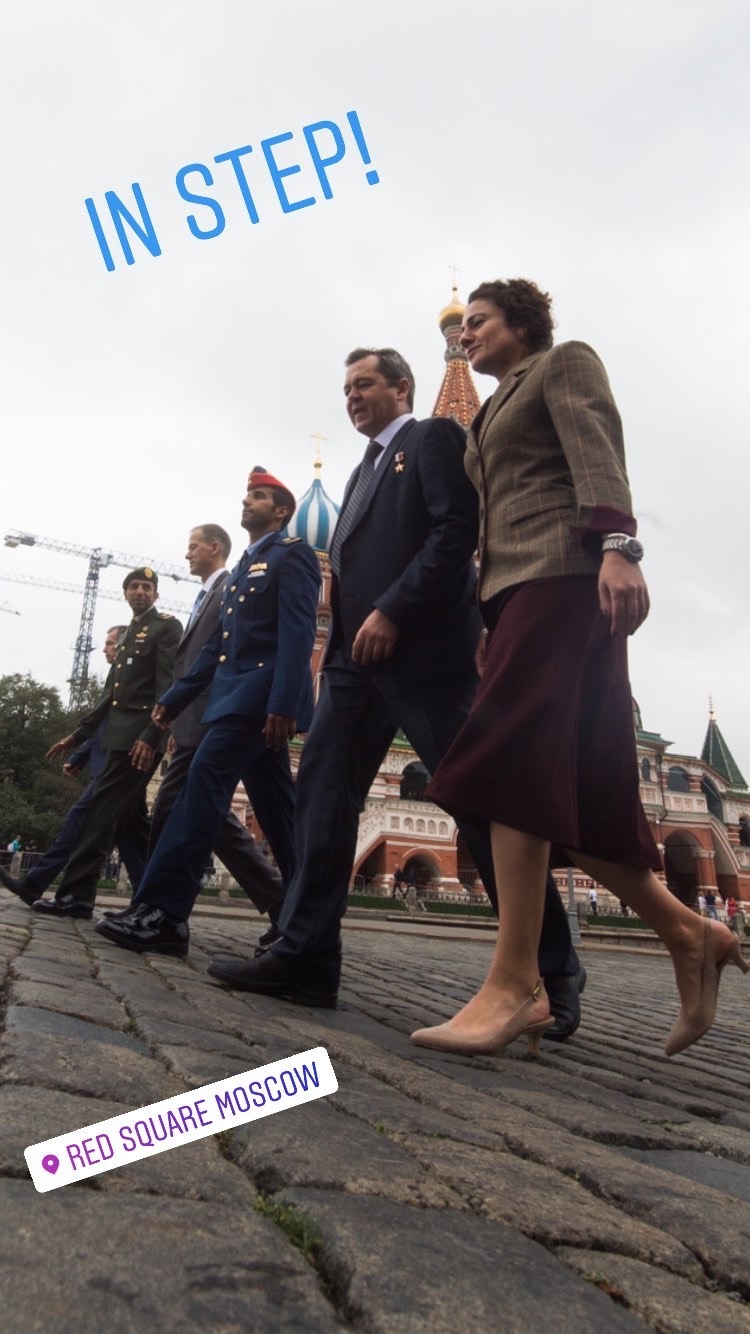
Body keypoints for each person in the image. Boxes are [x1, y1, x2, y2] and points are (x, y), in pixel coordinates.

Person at [409, 278, 747, 1058]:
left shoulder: (563, 364)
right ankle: (691, 934)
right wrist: (489, 616)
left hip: (565, 577)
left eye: (481, 322)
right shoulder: (488, 412)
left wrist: (620, 548)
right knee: (584, 798)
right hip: (517, 594)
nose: (467, 334)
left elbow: (597, 455)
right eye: (464, 326)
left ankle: (516, 982)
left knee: (507, 761)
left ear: (523, 323)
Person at [206, 347, 582, 1023]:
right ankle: (306, 956)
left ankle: (553, 971)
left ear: (402, 388)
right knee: (322, 800)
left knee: (473, 803)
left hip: (424, 655)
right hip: (353, 664)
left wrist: (394, 610)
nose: (352, 396)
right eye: (346, 388)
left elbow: (456, 531)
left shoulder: (431, 438)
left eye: (365, 384)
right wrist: (347, 639)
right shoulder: (362, 471)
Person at [95, 470, 321, 957]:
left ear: (281, 511)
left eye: (258, 496)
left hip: (259, 702)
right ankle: (303, 922)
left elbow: (298, 633)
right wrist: (176, 697)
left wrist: (284, 702)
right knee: (280, 816)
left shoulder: (292, 554)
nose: (247, 501)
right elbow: (218, 646)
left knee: (199, 792)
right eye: (247, 495)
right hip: (234, 699)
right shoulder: (243, 568)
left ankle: (164, 914)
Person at [103, 523, 284, 930]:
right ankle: (278, 902)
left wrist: (190, 714)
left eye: (193, 547)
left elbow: (221, 657)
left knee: (176, 806)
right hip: (194, 718)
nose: (187, 554)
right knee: (205, 815)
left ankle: (156, 908)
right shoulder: (209, 594)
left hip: (211, 716)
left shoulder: (229, 587)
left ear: (214, 548)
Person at [30, 570, 182, 919]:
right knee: (129, 823)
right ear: (125, 593)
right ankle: (150, 901)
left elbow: (167, 687)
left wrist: (152, 735)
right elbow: (108, 696)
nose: (140, 591)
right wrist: (77, 736)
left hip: (138, 742)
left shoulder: (166, 627)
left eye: (147, 587)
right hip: (117, 739)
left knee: (99, 816)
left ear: (156, 595)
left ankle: (76, 897)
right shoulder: (126, 634)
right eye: (134, 587)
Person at [0, 626, 145, 907]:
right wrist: (79, 757)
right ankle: (148, 899)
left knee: (79, 820)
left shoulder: (129, 679)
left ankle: (35, 883)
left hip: (116, 768)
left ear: (124, 646)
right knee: (132, 835)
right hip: (115, 768)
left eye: (110, 643)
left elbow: (118, 728)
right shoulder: (116, 678)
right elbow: (103, 727)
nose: (105, 649)